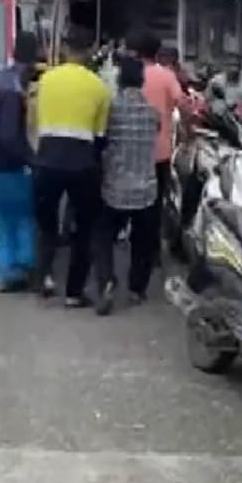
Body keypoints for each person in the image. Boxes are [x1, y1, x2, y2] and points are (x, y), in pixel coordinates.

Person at [33, 27, 110, 306]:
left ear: (65, 48)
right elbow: (100, 137)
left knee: (46, 225)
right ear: (90, 51)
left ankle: (44, 278)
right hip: (82, 164)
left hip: (47, 161)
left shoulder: (46, 80)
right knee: (83, 229)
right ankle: (74, 294)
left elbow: (36, 121)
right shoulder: (99, 87)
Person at [91, 55, 160, 315]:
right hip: (146, 189)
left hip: (115, 187)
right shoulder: (152, 113)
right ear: (141, 81)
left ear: (119, 80)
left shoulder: (111, 111)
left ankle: (106, 280)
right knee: (143, 240)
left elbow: (101, 141)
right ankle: (137, 288)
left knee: (102, 235)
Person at [0, 31, 39, 293]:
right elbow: (8, 135)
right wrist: (30, 158)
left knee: (1, 221)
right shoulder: (13, 90)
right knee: (21, 218)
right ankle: (22, 267)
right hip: (9, 166)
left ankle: (7, 272)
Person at [132, 33, 183, 231]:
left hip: (133, 150)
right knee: (155, 202)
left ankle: (132, 234)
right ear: (157, 54)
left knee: (133, 199)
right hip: (160, 152)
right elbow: (183, 104)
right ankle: (150, 242)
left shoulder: (130, 75)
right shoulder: (167, 76)